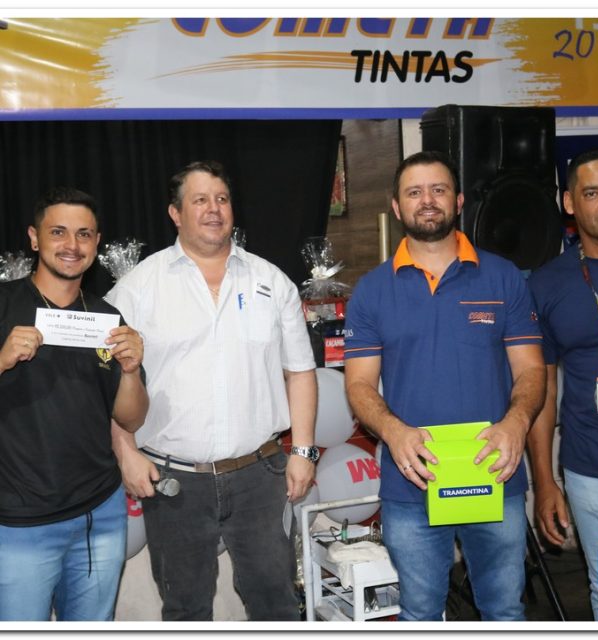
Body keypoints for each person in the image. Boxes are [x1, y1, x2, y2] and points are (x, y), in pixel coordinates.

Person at [107, 160, 318, 621]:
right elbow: (107, 383)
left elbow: (301, 371)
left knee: (277, 605)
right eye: (200, 200)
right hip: (174, 482)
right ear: (175, 213)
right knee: (185, 610)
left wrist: (304, 451)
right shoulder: (137, 288)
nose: (214, 209)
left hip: (260, 476)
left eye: (222, 199)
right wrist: (125, 452)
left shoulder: (271, 281)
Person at [344, 150, 546, 621]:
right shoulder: (372, 291)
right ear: (397, 207)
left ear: (457, 201)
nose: (427, 200)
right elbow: (358, 385)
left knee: (504, 611)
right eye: (414, 192)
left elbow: (532, 370)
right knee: (419, 615)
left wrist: (516, 423)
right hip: (412, 481)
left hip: (493, 472)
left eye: (438, 190)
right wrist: (394, 433)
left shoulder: (503, 277)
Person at [0, 187, 148, 621]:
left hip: (99, 516)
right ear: (34, 238)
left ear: (96, 243)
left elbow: (130, 418)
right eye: (58, 232)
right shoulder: (4, 305)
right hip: (19, 521)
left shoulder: (107, 318)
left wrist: (132, 370)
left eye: (84, 234)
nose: (72, 245)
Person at [527, 148, 598, 621]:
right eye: (592, 193)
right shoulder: (547, 284)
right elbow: (542, 390)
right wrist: (544, 481)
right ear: (570, 203)